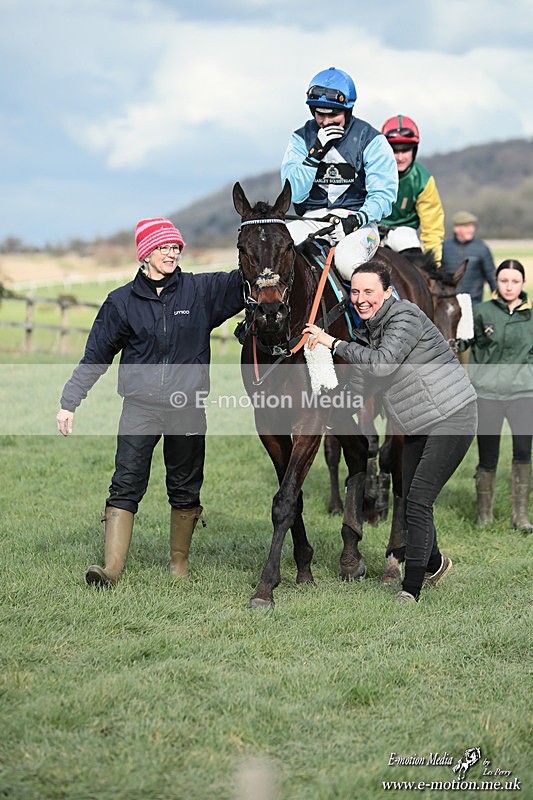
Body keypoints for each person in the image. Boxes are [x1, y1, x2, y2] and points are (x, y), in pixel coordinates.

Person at [56, 217, 244, 586]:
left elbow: (249, 272)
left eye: (176, 247)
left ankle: (178, 566)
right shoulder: (121, 302)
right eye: (163, 247)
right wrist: (69, 401)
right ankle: (111, 570)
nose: (172, 253)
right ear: (145, 253)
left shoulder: (201, 291)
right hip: (139, 408)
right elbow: (96, 355)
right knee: (125, 483)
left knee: (185, 485)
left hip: (187, 407)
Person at [304, 261, 477, 604]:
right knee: (409, 493)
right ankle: (435, 562)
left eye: (369, 291)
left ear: (386, 292)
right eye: (354, 291)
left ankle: (410, 589)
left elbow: (383, 363)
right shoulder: (369, 333)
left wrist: (333, 343)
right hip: (418, 422)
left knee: (417, 500)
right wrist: (330, 411)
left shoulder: (405, 317)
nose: (360, 298)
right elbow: (361, 383)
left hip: (452, 417)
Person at [281, 66, 398, 281]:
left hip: (358, 222)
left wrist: (354, 221)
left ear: (348, 111)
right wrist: (315, 154)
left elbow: (384, 196)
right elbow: (294, 195)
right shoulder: (300, 139)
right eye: (320, 115)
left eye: (333, 115)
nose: (325, 122)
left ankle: (384, 312)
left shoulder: (372, 140)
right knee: (275, 249)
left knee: (346, 263)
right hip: (311, 219)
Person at [456, 259, 533, 532]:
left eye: (514, 281)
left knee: (523, 452)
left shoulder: (530, 315)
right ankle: (484, 515)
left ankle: (521, 516)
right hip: (487, 393)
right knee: (488, 456)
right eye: (503, 281)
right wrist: (455, 331)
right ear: (496, 283)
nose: (509, 286)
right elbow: (463, 342)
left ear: (522, 283)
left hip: (523, 394)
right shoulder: (481, 311)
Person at [380, 114, 445, 265]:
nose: (400, 157)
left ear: (414, 150)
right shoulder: (371, 172)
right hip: (372, 229)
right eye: (395, 150)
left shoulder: (423, 180)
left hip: (404, 232)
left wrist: (434, 265)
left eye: (405, 150)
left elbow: (432, 228)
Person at [442, 211, 496, 305]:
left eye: (472, 226)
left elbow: (492, 278)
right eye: (467, 226)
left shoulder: (482, 248)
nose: (472, 229)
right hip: (448, 304)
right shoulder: (444, 248)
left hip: (473, 304)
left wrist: (499, 303)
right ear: (456, 228)